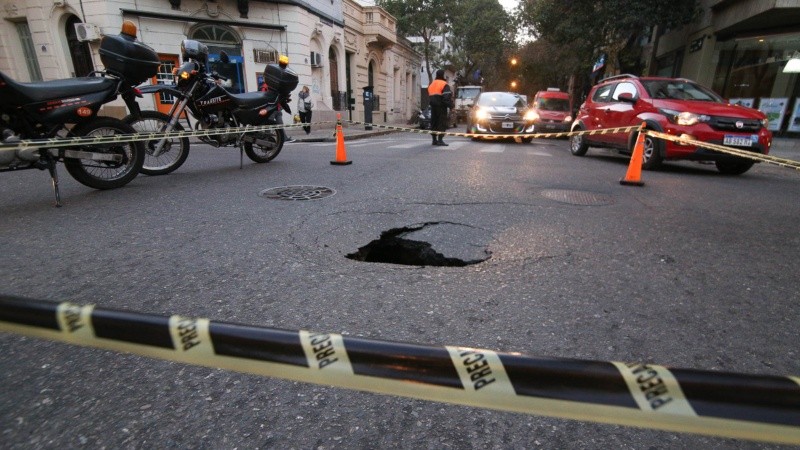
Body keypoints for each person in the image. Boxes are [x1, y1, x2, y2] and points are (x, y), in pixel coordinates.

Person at [427, 69, 453, 146]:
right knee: (441, 122)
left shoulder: (431, 84)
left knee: (434, 122)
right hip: (441, 107)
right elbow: (446, 97)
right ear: (442, 75)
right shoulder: (444, 84)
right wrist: (451, 106)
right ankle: (440, 140)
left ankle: (434, 140)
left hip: (433, 106)